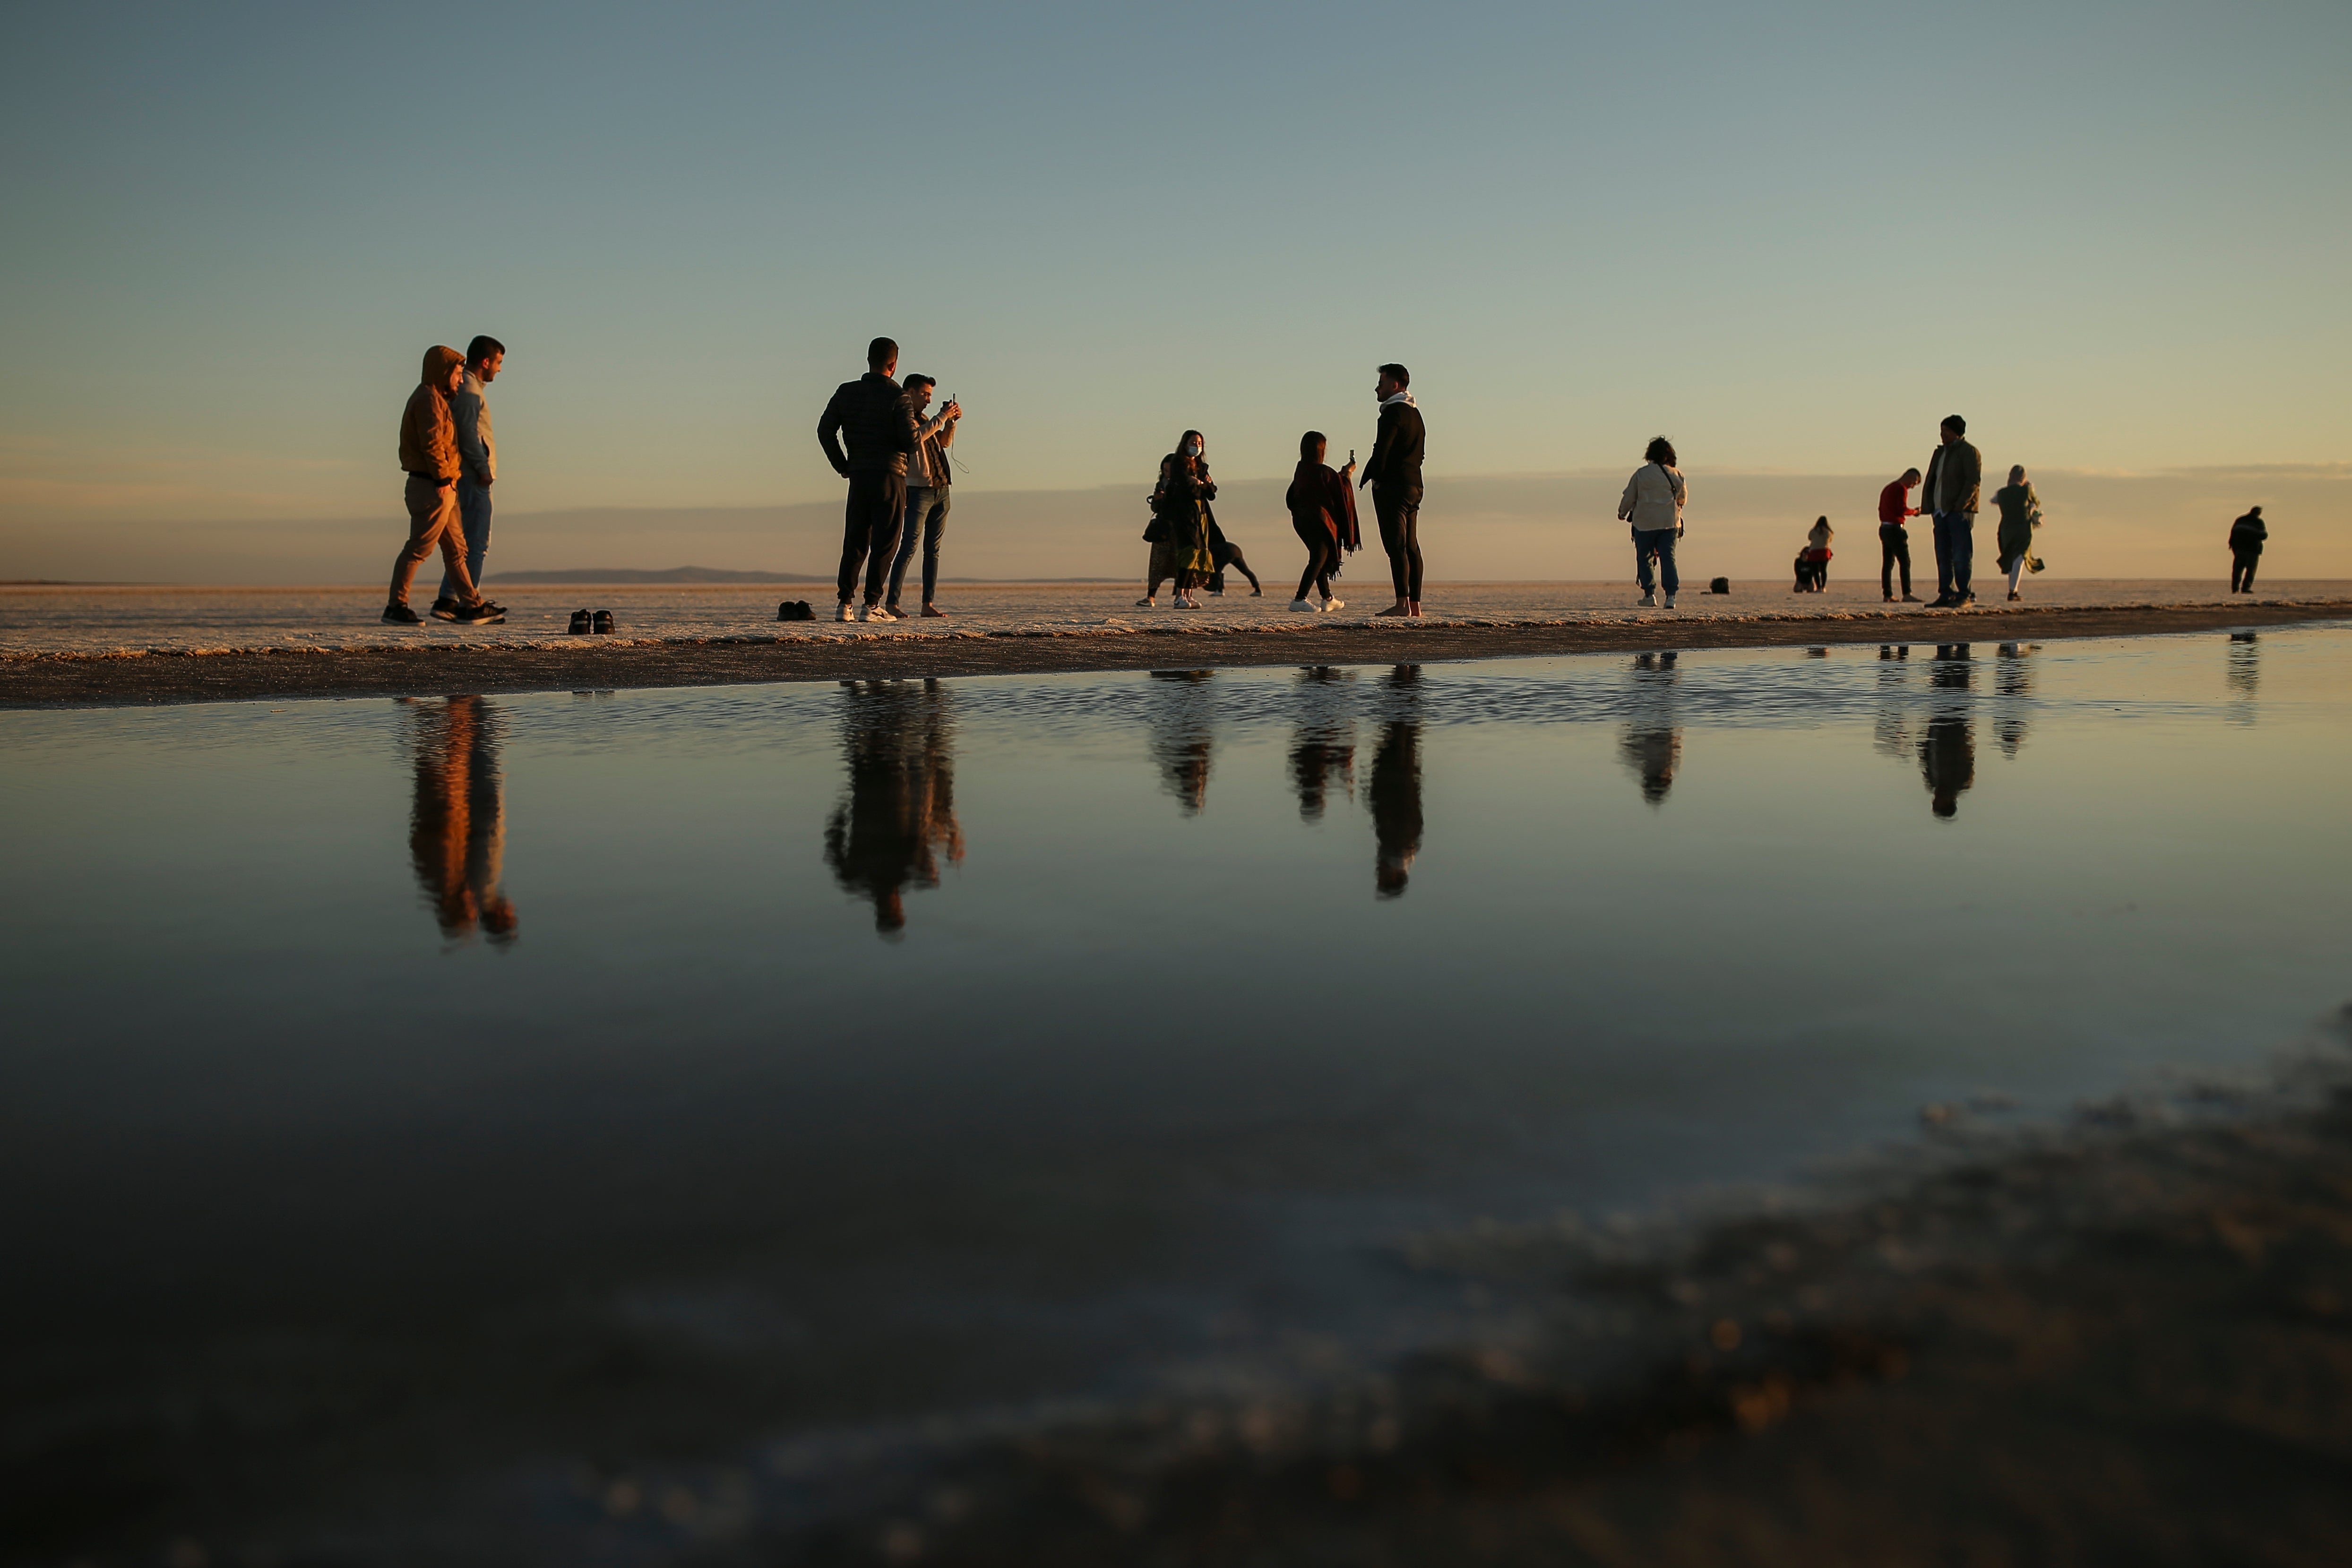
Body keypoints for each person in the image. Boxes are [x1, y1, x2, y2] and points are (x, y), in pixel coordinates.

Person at [385, 345, 500, 625]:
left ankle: (471, 605)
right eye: (458, 374)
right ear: (444, 372)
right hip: (432, 487)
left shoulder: (436, 399)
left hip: (443, 487)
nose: (461, 381)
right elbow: (433, 444)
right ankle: (396, 606)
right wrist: (443, 480)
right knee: (419, 548)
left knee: (457, 550)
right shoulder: (428, 400)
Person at [817, 337, 923, 622]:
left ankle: (844, 605)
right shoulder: (898, 396)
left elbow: (825, 430)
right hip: (890, 476)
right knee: (886, 542)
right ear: (894, 364)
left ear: (868, 360)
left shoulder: (847, 392)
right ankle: (872, 605)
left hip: (860, 475)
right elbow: (911, 442)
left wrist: (843, 465)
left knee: (855, 539)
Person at [406, 695, 517, 943]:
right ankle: (431, 701)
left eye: (468, 910)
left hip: (450, 807)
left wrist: (476, 805)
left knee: (450, 742)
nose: (472, 904)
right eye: (473, 912)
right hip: (453, 808)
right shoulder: (453, 883)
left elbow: (468, 840)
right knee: (450, 742)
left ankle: (427, 700)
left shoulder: (458, 881)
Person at [432, 336, 506, 620]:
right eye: (498, 363)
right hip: (473, 475)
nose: (500, 369)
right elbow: (468, 434)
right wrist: (483, 468)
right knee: (476, 542)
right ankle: (468, 603)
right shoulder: (469, 390)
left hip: (470, 472)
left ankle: (452, 598)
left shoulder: (470, 388)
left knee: (467, 541)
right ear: (486, 361)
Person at [884, 375, 961, 619]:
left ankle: (928, 603)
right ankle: (892, 603)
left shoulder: (926, 419)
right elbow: (917, 439)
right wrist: (942, 418)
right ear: (910, 392)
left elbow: (943, 444)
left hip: (941, 489)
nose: (929, 400)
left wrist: (950, 424)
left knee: (933, 550)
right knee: (908, 547)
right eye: (925, 394)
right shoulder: (903, 420)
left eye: (930, 395)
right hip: (919, 491)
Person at [1360, 364, 1426, 617]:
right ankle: (1415, 606)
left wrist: (1375, 478)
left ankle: (1402, 604)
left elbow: (1382, 451)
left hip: (1394, 487)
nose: (1377, 387)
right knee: (1412, 546)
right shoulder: (1415, 414)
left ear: (1395, 386)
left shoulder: (1391, 413)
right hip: (1414, 485)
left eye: (1381, 382)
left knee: (1396, 545)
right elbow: (1420, 453)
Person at [1141, 431, 1217, 608]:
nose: (1197, 447)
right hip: (1183, 517)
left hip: (1200, 516)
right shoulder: (1179, 464)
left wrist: (1200, 484)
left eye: (1200, 444)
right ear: (1184, 444)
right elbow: (1186, 488)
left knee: (1196, 554)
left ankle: (1188, 595)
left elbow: (1212, 492)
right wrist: (1201, 486)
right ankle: (1178, 596)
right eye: (1193, 443)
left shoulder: (1201, 467)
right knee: (1187, 554)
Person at [1285, 431, 1358, 611]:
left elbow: (1291, 496)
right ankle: (1299, 599)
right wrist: (1347, 474)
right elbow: (1341, 489)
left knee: (1321, 558)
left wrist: (1341, 475)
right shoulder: (1322, 472)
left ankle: (1328, 598)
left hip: (1302, 521)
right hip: (1319, 521)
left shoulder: (1301, 470)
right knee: (1318, 559)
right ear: (1321, 451)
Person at [1616, 436, 1688, 608]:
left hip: (1644, 524)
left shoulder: (1641, 474)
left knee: (1645, 558)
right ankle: (1671, 596)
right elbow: (1683, 499)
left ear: (1650, 455)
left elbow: (1630, 496)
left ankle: (1650, 595)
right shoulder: (1676, 474)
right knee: (1668, 558)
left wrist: (1622, 513)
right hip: (1669, 523)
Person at [1921, 414, 1982, 608]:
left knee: (1961, 555)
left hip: (1958, 512)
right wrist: (1931, 506)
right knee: (1943, 554)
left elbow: (1973, 481)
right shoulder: (1940, 453)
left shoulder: (1968, 452)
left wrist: (1960, 506)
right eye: (1941, 431)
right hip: (1940, 511)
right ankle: (1946, 593)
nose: (1942, 435)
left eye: (1946, 432)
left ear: (1957, 433)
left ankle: (1964, 594)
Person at [1990, 465, 2042, 600]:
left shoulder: (2002, 493)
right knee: (2020, 558)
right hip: (2022, 528)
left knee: (2010, 557)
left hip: (2006, 528)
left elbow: (1993, 501)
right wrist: (2031, 488)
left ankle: (2012, 590)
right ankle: (2013, 592)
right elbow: (2036, 502)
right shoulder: (2026, 490)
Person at [1878, 467, 1923, 602]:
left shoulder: (1888, 488)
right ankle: (1907, 593)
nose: (1913, 487)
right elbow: (1901, 509)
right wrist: (1915, 512)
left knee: (1888, 563)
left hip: (1885, 527)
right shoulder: (1900, 488)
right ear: (1911, 478)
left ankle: (1888, 594)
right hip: (1895, 529)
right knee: (1905, 561)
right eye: (1914, 483)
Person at [1203, 520, 1263, 596]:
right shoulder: (1213, 545)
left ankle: (1219, 590)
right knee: (1246, 571)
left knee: (1216, 570)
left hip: (1227, 552)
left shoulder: (1208, 548)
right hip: (1236, 550)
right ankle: (1258, 590)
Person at [2229, 505, 2267, 593]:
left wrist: (2232, 544)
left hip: (2238, 549)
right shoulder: (2258, 522)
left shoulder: (2240, 520)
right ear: (2258, 513)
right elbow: (2264, 536)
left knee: (2237, 570)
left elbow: (2233, 533)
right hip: (2253, 549)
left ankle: (2235, 588)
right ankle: (2246, 588)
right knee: (2251, 570)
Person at [1798, 516, 1834, 592]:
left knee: (1815, 571)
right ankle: (1823, 587)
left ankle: (1818, 587)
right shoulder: (1829, 532)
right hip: (1824, 552)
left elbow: (1810, 538)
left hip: (1814, 551)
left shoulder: (1813, 531)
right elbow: (1830, 541)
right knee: (1824, 570)